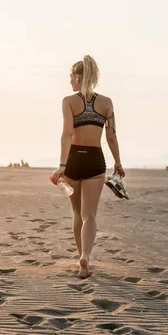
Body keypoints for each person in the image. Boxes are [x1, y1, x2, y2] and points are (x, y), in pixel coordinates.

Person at [51, 55, 125, 279]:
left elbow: (66, 134)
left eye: (71, 77)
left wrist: (62, 165)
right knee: (89, 215)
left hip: (74, 159)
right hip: (95, 159)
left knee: (76, 213)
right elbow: (111, 136)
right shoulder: (107, 103)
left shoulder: (68, 102)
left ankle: (80, 255)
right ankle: (87, 256)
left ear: (79, 77)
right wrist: (118, 163)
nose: (70, 81)